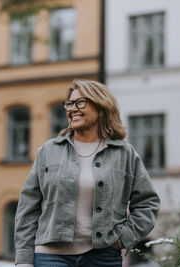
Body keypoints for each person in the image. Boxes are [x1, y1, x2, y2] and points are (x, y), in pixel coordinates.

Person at [14, 79, 160, 267]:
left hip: (103, 257)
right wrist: (23, 260)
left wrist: (123, 237)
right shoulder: (48, 151)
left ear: (101, 107)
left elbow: (148, 203)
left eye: (80, 102)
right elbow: (27, 208)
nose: (72, 109)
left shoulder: (124, 154)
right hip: (50, 256)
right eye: (69, 103)